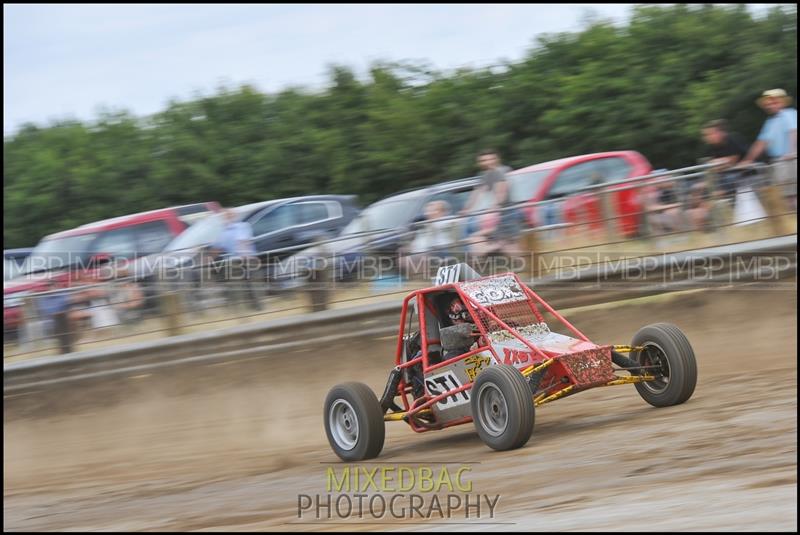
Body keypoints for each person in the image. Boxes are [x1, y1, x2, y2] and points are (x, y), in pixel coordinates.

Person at [738, 89, 797, 208]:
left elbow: (794, 131)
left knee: (791, 196)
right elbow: (761, 143)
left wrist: (793, 152)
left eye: (774, 102)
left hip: (790, 160)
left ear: (782, 102)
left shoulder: (789, 113)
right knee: (787, 197)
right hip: (780, 162)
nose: (770, 105)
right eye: (768, 103)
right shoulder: (770, 122)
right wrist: (748, 160)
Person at [212, 208, 262, 311]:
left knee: (252, 283)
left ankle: (256, 306)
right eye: (226, 216)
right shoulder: (223, 232)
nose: (228, 217)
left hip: (247, 258)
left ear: (234, 216)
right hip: (234, 260)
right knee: (238, 285)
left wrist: (245, 256)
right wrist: (209, 257)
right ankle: (240, 308)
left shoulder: (242, 226)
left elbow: (244, 241)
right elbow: (217, 247)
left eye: (230, 215)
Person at [460, 149, 512, 237]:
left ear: (497, 159)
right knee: (468, 229)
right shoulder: (485, 174)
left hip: (506, 212)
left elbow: (502, 190)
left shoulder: (503, 170)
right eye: (484, 160)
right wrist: (466, 208)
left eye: (491, 159)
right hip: (495, 213)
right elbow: (477, 192)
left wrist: (495, 205)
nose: (488, 162)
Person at [701, 119, 749, 202]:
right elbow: (711, 166)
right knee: (701, 187)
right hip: (728, 174)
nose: (706, 138)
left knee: (728, 179)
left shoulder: (733, 139)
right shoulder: (711, 147)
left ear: (719, 133)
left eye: (709, 134)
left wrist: (717, 164)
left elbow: (731, 162)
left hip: (746, 172)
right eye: (705, 135)